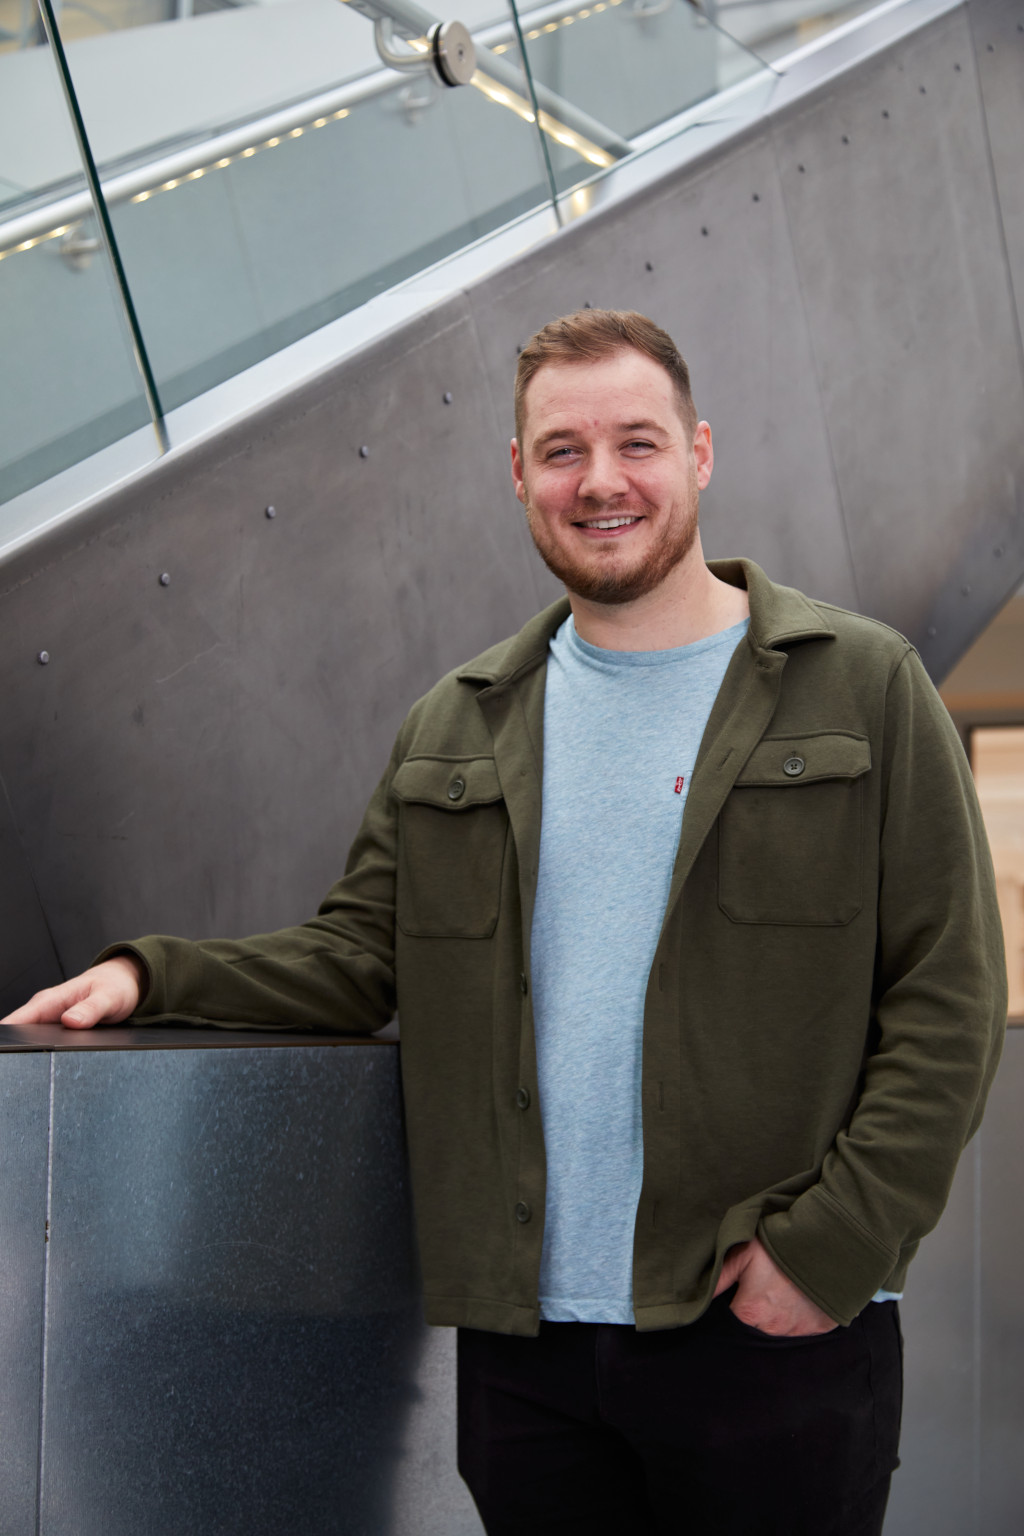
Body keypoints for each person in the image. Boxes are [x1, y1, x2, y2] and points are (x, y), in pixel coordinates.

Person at [5, 310, 1006, 1536]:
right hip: (527, 1350)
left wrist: (830, 1250)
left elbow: (947, 997)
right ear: (517, 474)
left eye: (635, 443)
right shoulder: (459, 722)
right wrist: (144, 976)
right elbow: (356, 958)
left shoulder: (861, 683)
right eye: (560, 451)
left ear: (698, 454)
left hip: (766, 1326)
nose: (600, 482)